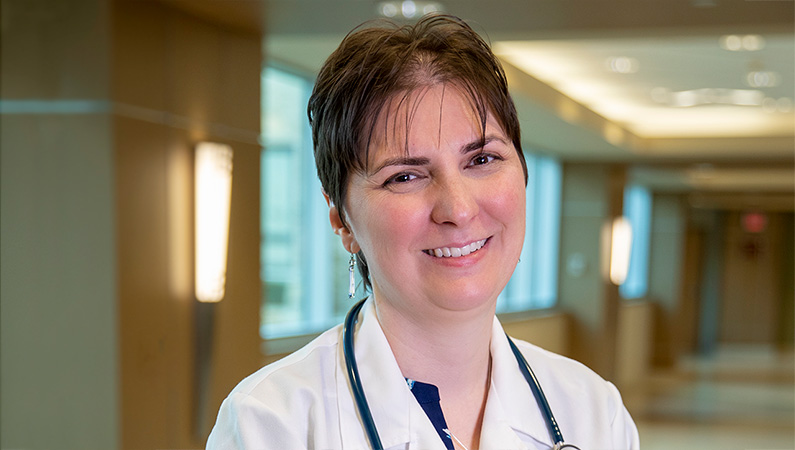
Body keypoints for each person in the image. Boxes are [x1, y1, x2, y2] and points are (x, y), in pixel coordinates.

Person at [207, 14, 639, 450]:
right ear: (341, 220)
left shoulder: (593, 413)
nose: (458, 209)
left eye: (482, 159)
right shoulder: (271, 424)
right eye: (405, 176)